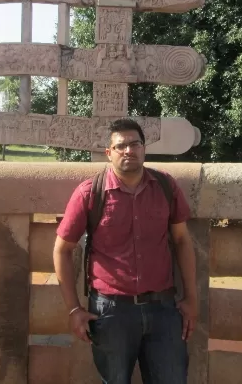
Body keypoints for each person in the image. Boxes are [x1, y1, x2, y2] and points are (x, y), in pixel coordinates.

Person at [53, 118, 198, 384]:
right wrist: (74, 309)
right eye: (121, 146)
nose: (129, 151)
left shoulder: (166, 187)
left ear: (144, 149)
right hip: (111, 312)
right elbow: (62, 250)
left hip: (163, 309)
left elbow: (182, 242)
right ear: (109, 153)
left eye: (135, 144)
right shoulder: (90, 193)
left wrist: (191, 298)